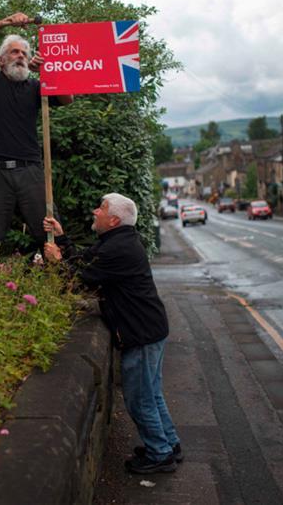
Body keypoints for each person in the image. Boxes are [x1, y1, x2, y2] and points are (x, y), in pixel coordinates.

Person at [42, 193, 182, 474]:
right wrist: (62, 237)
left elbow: (80, 277)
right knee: (152, 394)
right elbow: (86, 260)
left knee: (140, 399)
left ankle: (159, 454)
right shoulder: (117, 241)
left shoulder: (118, 249)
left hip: (140, 334)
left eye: (102, 208)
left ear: (114, 220)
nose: (95, 211)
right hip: (149, 329)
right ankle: (169, 444)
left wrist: (57, 262)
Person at [0, 13, 73, 248]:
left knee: (51, 234)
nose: (20, 56)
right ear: (1, 60)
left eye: (24, 54)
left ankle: (63, 270)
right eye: (14, 52)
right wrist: (4, 22)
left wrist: (48, 71)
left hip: (31, 171)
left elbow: (67, 99)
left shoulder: (36, 87)